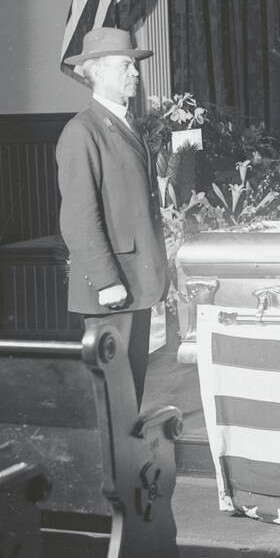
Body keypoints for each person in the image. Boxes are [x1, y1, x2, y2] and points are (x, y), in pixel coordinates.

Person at [57, 27, 169, 403]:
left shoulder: (123, 123)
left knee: (129, 392)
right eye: (126, 66)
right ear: (97, 71)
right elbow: (78, 218)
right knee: (114, 396)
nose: (135, 73)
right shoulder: (82, 132)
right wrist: (106, 280)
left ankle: (127, 462)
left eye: (134, 66)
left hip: (133, 278)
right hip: (113, 286)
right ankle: (113, 464)